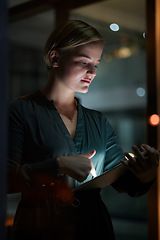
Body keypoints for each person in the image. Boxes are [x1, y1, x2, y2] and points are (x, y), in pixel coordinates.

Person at [8, 20, 159, 240]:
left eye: (96, 64)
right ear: (55, 58)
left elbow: (120, 179)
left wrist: (145, 176)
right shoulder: (20, 112)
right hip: (41, 227)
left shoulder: (97, 121)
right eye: (83, 62)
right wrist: (58, 165)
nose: (92, 72)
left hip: (94, 227)